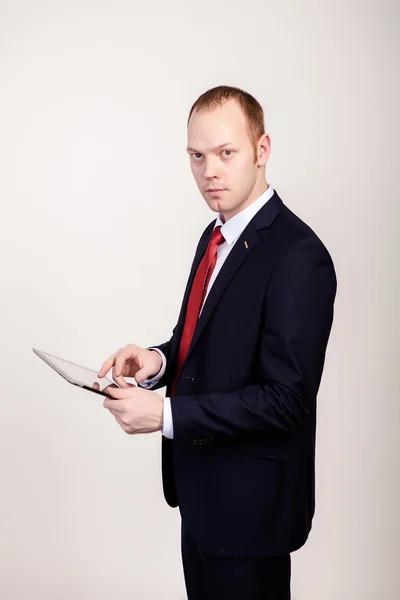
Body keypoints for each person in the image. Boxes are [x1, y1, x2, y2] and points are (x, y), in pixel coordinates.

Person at [98, 85, 337, 600]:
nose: (210, 171)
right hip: (202, 499)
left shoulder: (299, 255)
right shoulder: (216, 235)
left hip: (252, 513)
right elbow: (207, 344)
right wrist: (157, 359)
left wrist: (164, 416)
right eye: (197, 156)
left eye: (226, 153)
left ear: (262, 150)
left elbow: (287, 400)